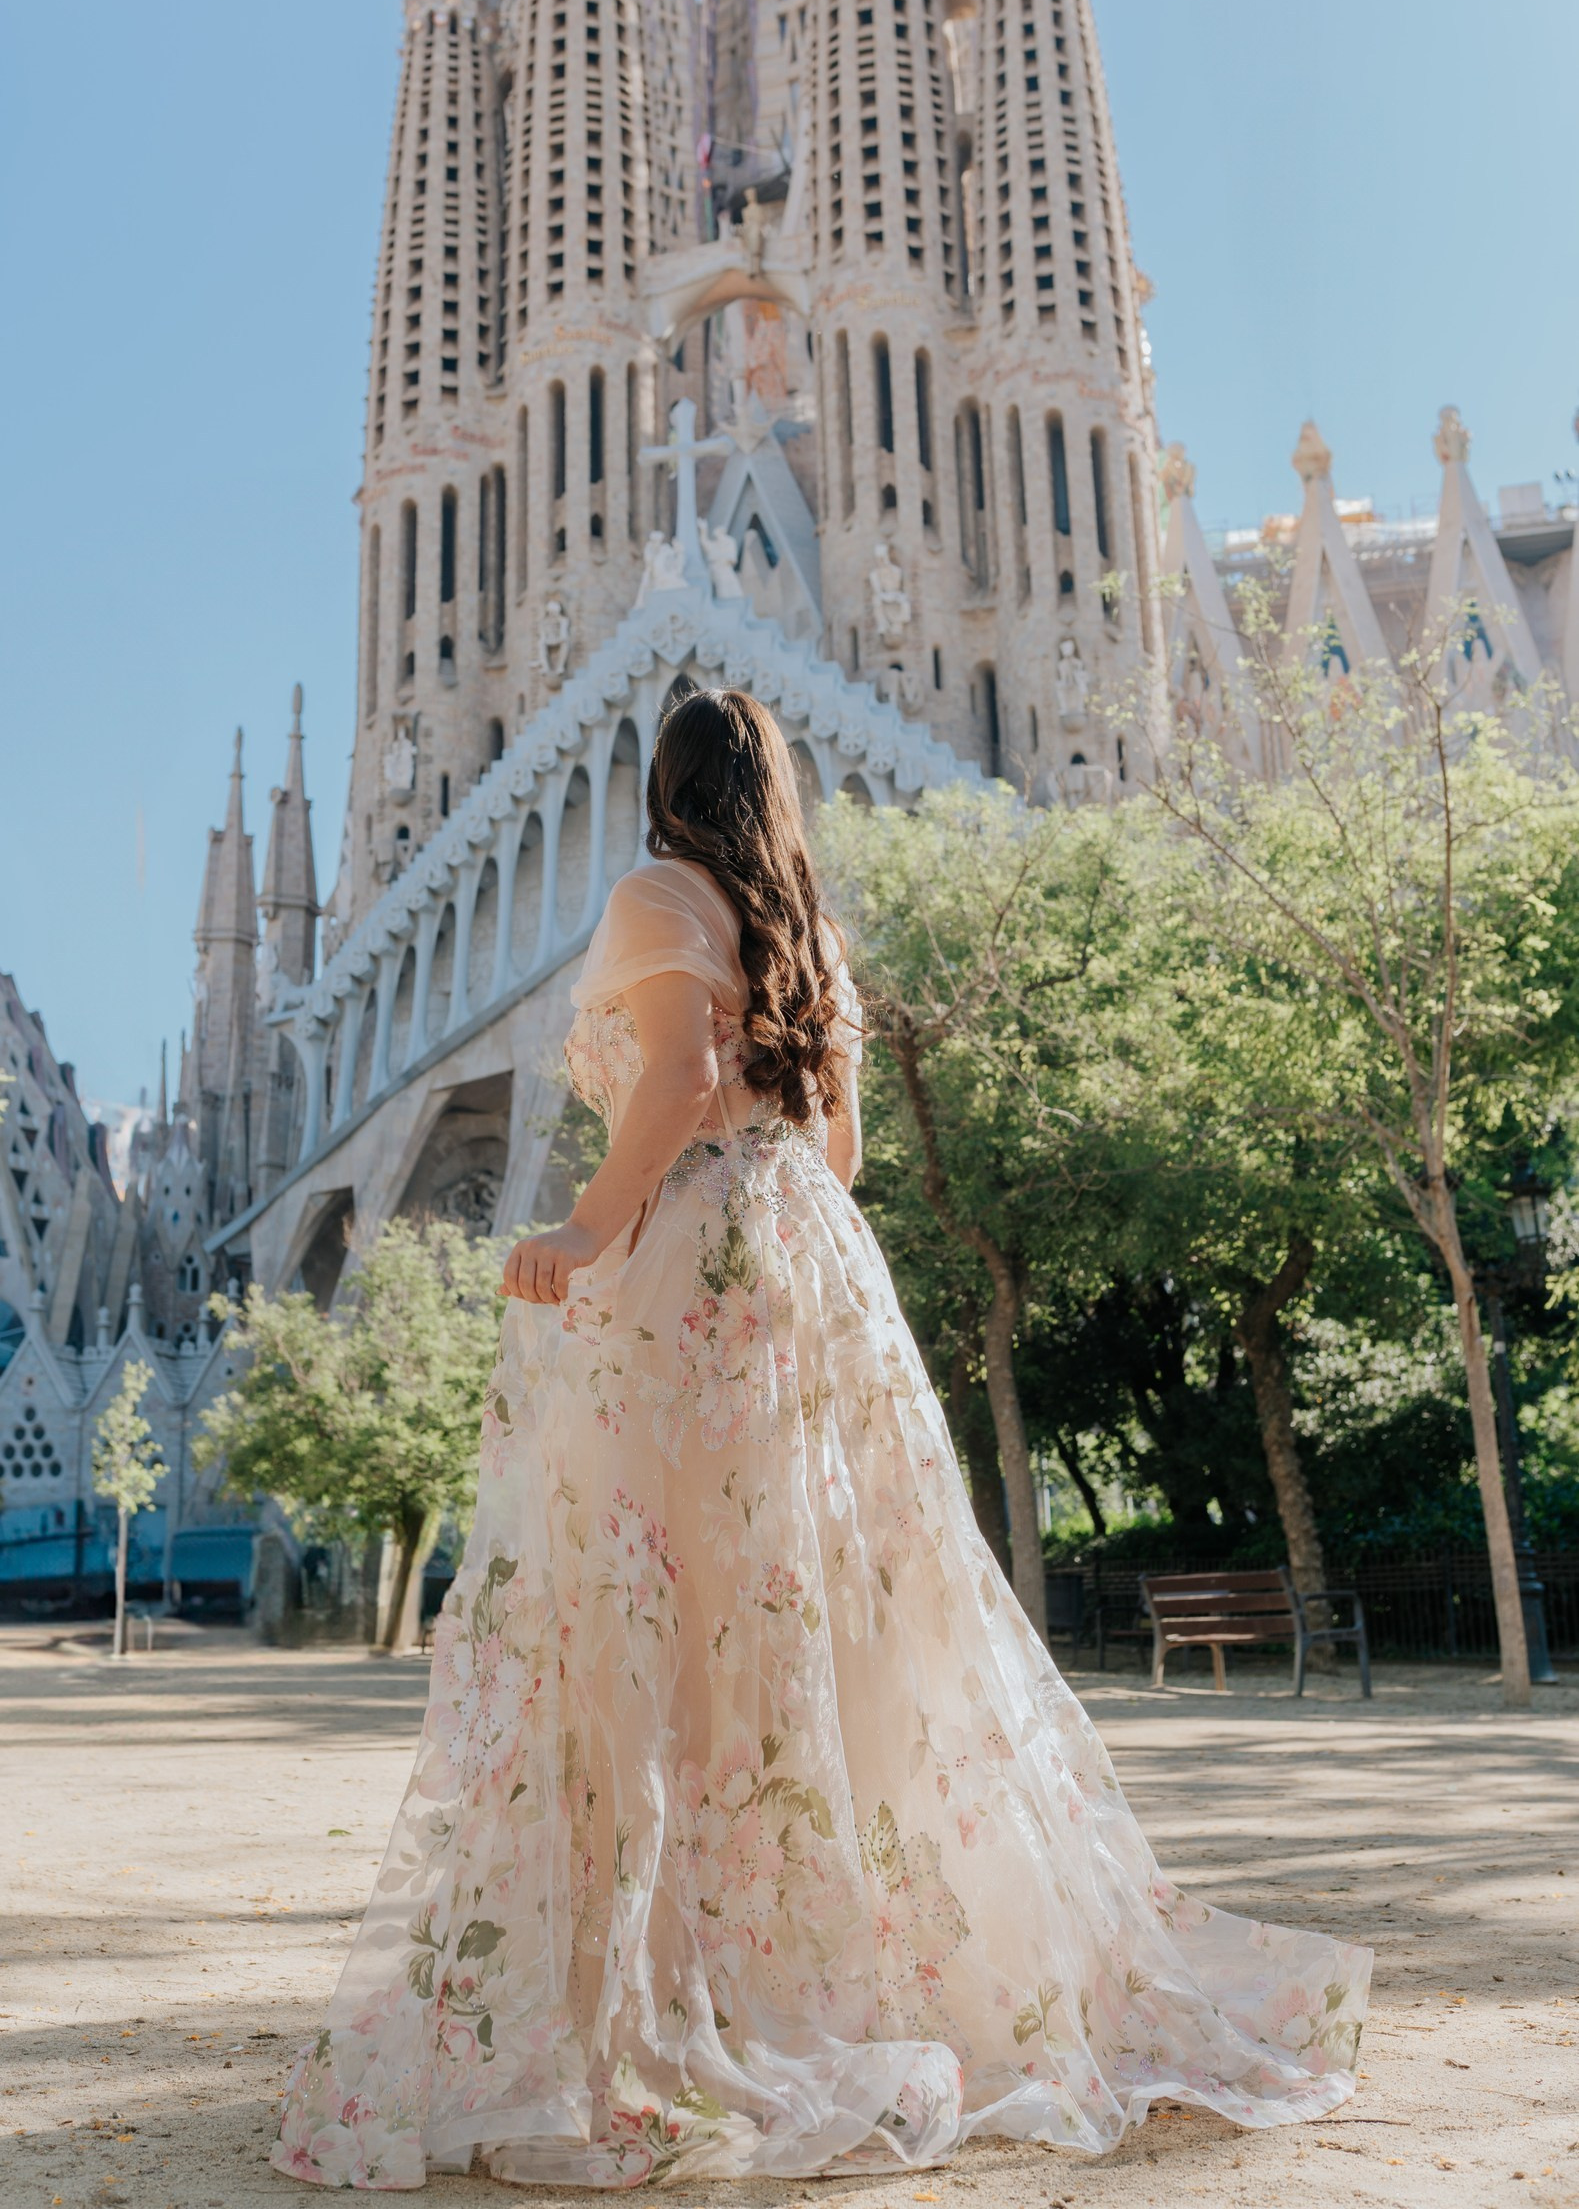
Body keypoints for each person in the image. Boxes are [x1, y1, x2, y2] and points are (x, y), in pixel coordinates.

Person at [273, 689, 1370, 2192]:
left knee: (665, 1612)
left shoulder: (658, 897)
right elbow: (839, 1154)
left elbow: (672, 1079)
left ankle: (692, 1988)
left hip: (696, 1260)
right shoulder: (811, 939)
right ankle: (815, 1955)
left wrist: (591, 1227)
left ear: (666, 785)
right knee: (814, 1609)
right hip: (811, 1269)